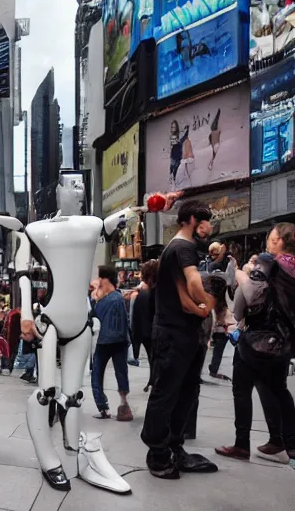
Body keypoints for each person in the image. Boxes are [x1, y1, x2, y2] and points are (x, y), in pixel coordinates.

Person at [140, 200, 218, 479]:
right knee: (169, 393)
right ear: (193, 219)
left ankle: (172, 448)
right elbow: (194, 284)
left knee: (183, 393)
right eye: (207, 220)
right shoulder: (184, 247)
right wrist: (209, 302)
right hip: (175, 335)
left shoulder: (173, 248)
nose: (210, 227)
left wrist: (198, 308)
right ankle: (159, 453)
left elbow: (184, 296)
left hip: (179, 333)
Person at [216, 223, 295, 463]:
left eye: (271, 238)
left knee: (242, 390)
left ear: (280, 241)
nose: (268, 243)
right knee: (277, 388)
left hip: (257, 337)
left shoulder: (268, 261)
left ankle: (242, 444)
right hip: (284, 341)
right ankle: (287, 443)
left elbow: (250, 294)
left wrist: (242, 273)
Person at [90, 266, 132, 421]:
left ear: (103, 279)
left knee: (97, 373)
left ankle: (103, 407)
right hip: (119, 341)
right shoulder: (118, 297)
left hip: (104, 341)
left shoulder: (105, 300)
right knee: (121, 371)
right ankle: (123, 404)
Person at [131, 260, 158, 392]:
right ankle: (154, 380)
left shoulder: (141, 293)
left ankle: (152, 380)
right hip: (156, 331)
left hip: (145, 333)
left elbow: (136, 317)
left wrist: (136, 337)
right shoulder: (155, 293)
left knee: (152, 357)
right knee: (156, 358)